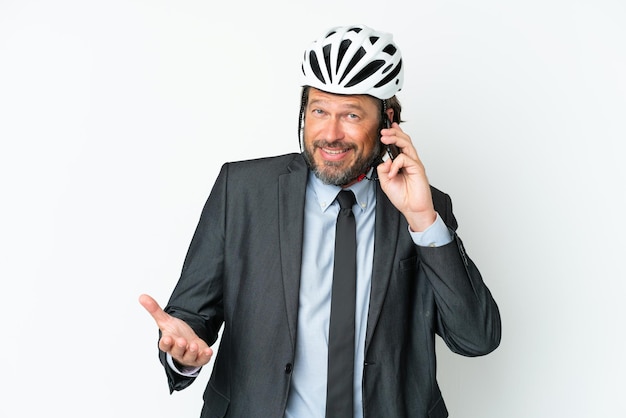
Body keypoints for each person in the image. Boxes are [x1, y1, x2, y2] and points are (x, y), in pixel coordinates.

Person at [139, 24, 501, 418]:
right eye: (319, 111)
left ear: (388, 120)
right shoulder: (242, 192)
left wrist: (423, 220)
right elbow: (192, 318)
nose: (331, 134)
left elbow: (476, 338)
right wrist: (184, 355)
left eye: (350, 114)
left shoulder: (426, 208)